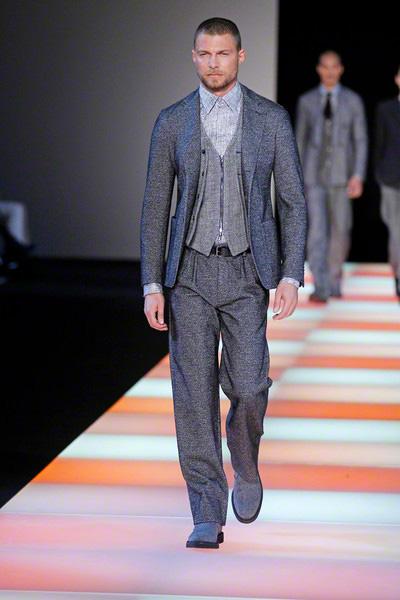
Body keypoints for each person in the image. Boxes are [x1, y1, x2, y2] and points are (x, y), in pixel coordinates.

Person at [140, 17, 306, 549]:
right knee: (193, 395)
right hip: (188, 273)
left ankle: (246, 459)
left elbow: (292, 201)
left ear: (241, 56)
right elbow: (155, 207)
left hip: (246, 271)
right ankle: (207, 510)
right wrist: (152, 284)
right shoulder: (172, 121)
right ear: (194, 57)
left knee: (251, 386)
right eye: (205, 54)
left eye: (223, 53)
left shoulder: (270, 119)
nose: (214, 63)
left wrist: (290, 273)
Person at [295, 50, 368, 301]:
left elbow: (360, 140)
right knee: (316, 232)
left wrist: (357, 174)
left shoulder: (353, 101)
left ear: (340, 69)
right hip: (313, 177)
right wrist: (298, 179)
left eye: (334, 66)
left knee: (341, 230)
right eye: (325, 67)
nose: (329, 72)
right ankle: (321, 285)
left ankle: (334, 281)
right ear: (318, 69)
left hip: (342, 176)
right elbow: (299, 141)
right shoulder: (306, 101)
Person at [374, 65, 400, 302]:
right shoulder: (385, 109)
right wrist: (379, 176)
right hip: (391, 179)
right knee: (396, 230)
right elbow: (379, 144)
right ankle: (398, 274)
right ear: (397, 79)